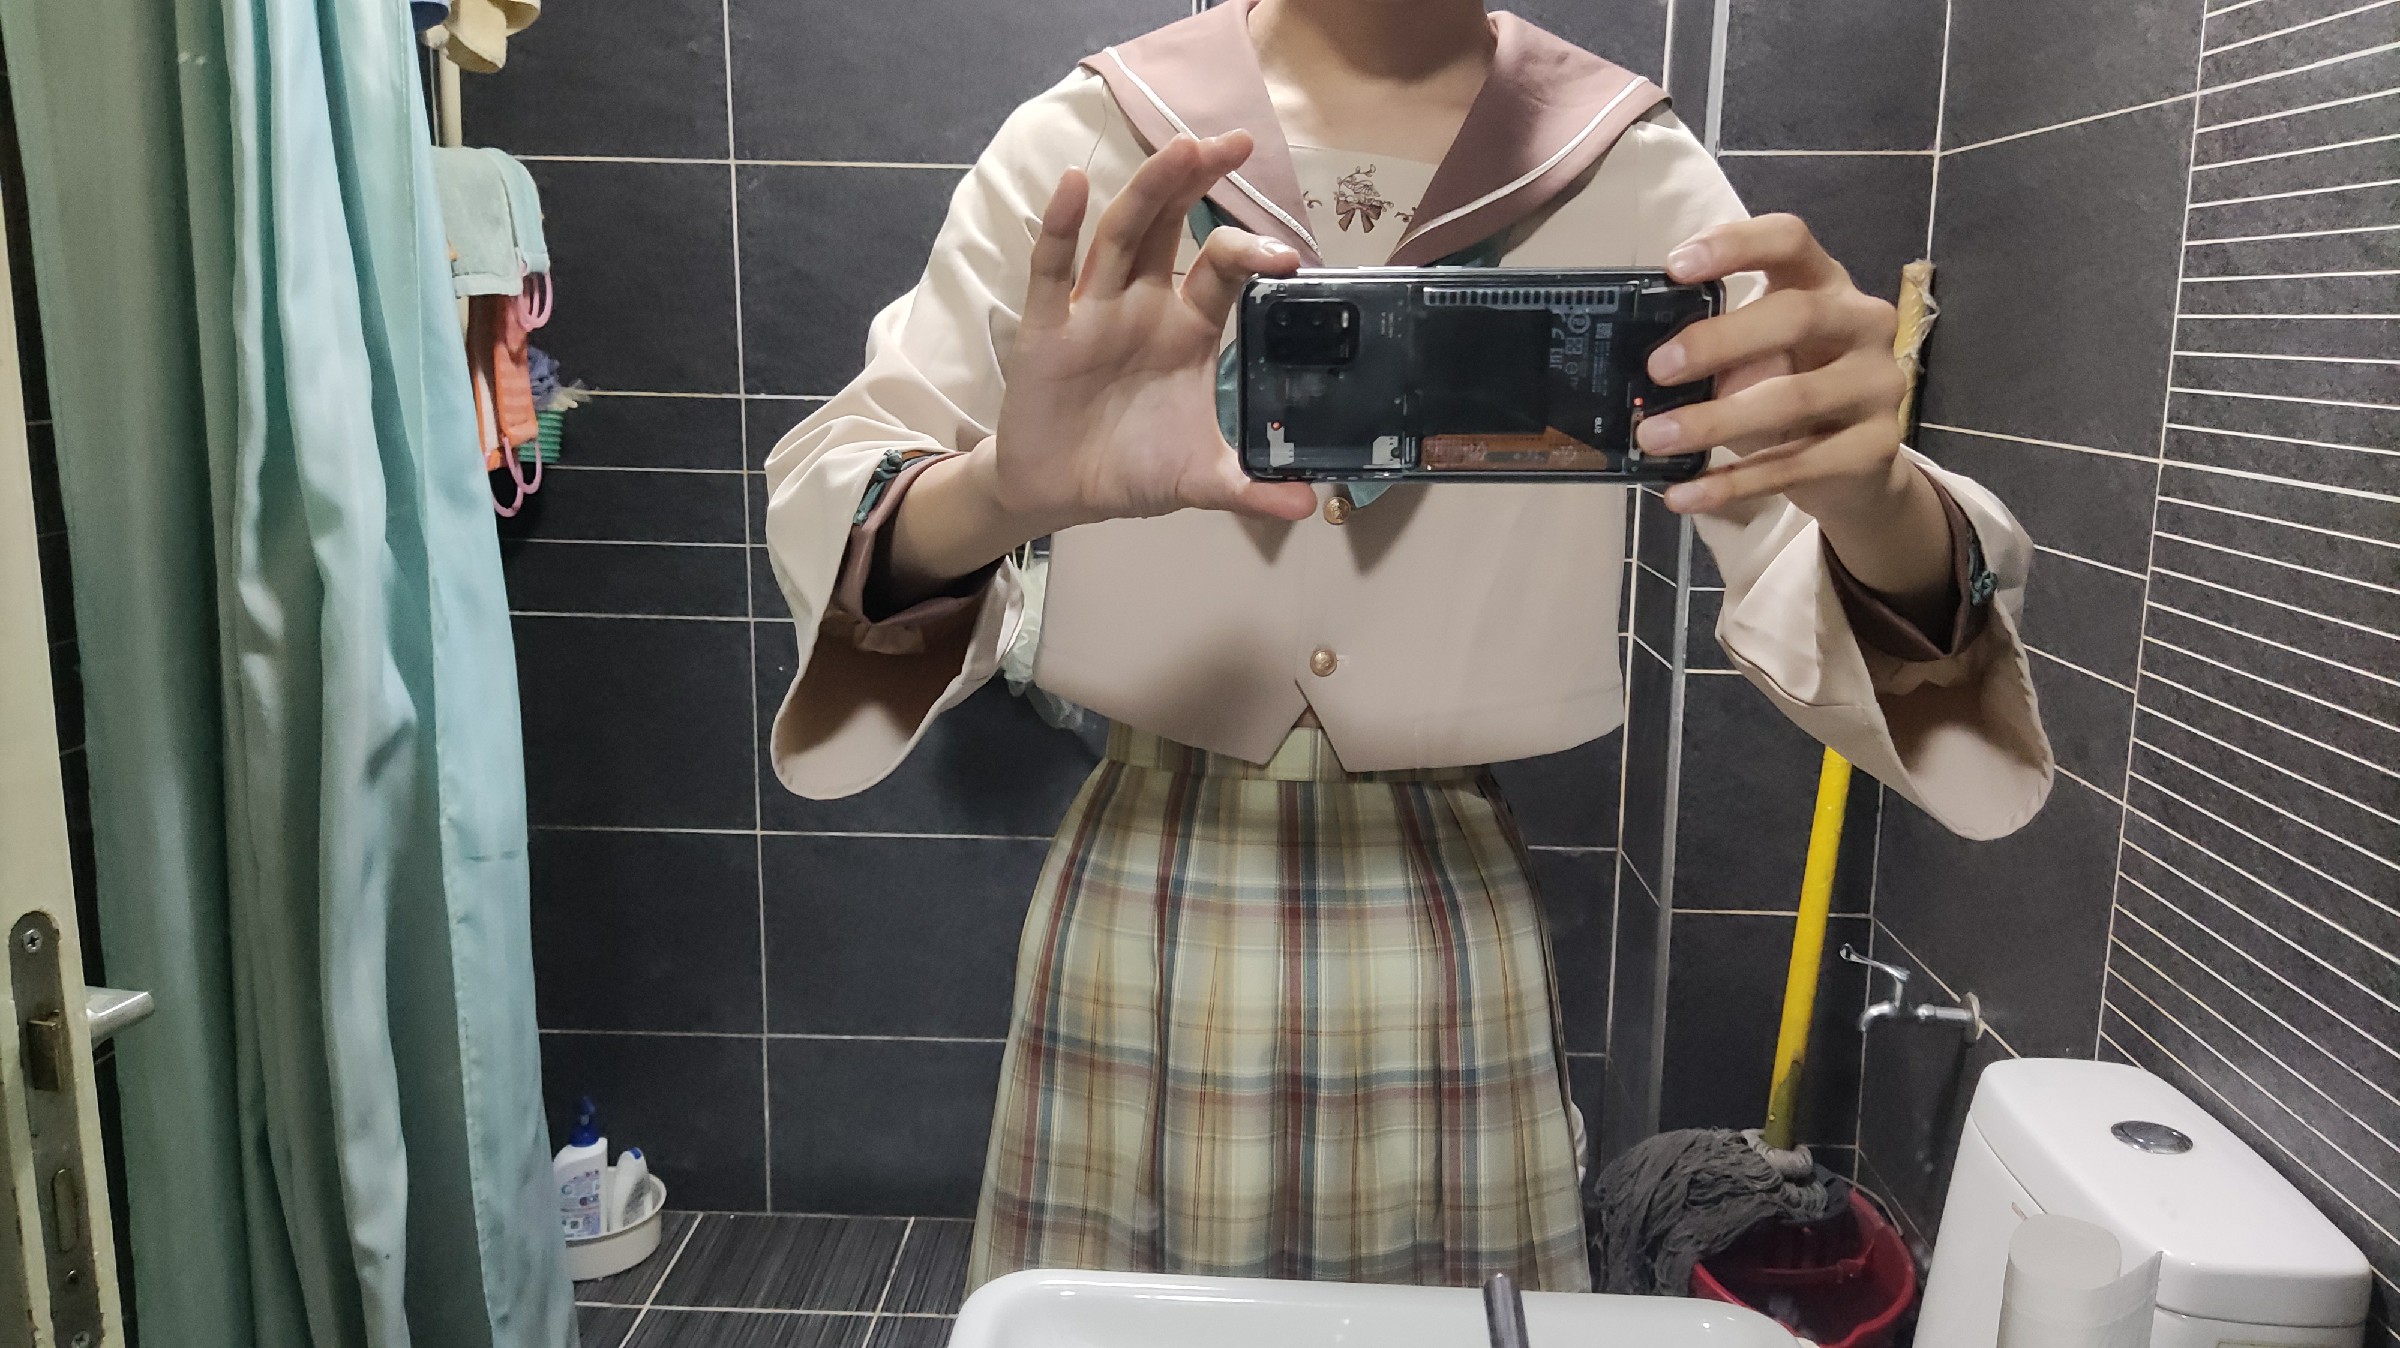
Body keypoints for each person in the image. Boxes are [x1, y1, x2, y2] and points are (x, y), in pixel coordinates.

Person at [760, 0, 2053, 1294]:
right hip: (1146, 891)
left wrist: (1876, 502)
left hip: (1443, 919)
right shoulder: (1094, 139)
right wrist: (1001, 494)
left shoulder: (1628, 163)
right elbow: (846, 472)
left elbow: (1799, 538)